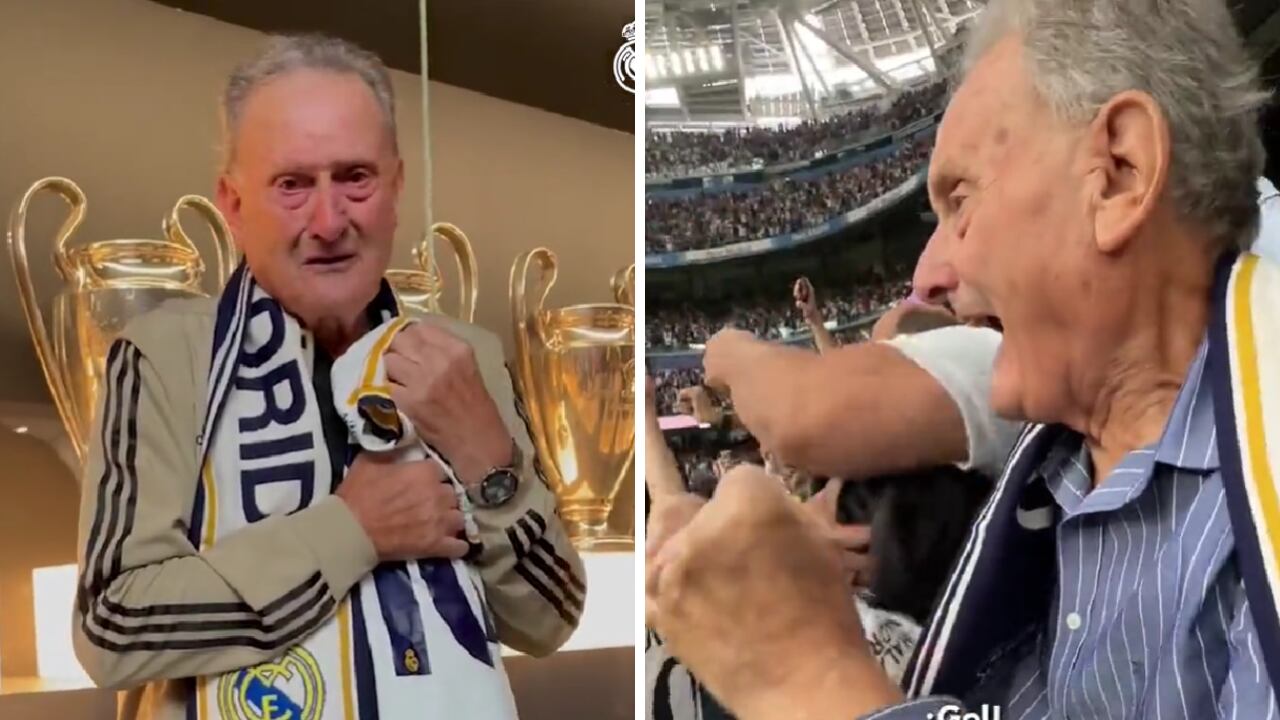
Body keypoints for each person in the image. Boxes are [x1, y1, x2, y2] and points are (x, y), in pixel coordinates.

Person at [647, 0, 1280, 717]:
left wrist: (807, 674)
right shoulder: (1049, 481)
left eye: (960, 198)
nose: (927, 275)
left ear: (1119, 173)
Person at [72, 34, 583, 720]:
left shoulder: (465, 356)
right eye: (292, 184)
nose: (328, 220)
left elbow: (548, 619)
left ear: (396, 186)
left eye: (355, 178)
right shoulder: (166, 356)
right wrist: (352, 531)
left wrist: (490, 461)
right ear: (232, 202)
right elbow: (112, 628)